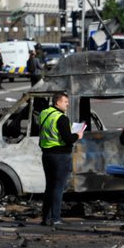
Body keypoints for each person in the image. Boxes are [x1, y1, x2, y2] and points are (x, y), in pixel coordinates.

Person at [39, 91, 84, 226]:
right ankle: (56, 218)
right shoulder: (62, 118)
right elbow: (68, 139)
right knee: (58, 188)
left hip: (46, 154)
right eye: (65, 101)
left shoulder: (44, 113)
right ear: (57, 102)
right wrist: (78, 135)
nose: (68, 104)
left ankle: (45, 218)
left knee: (49, 187)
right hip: (60, 156)